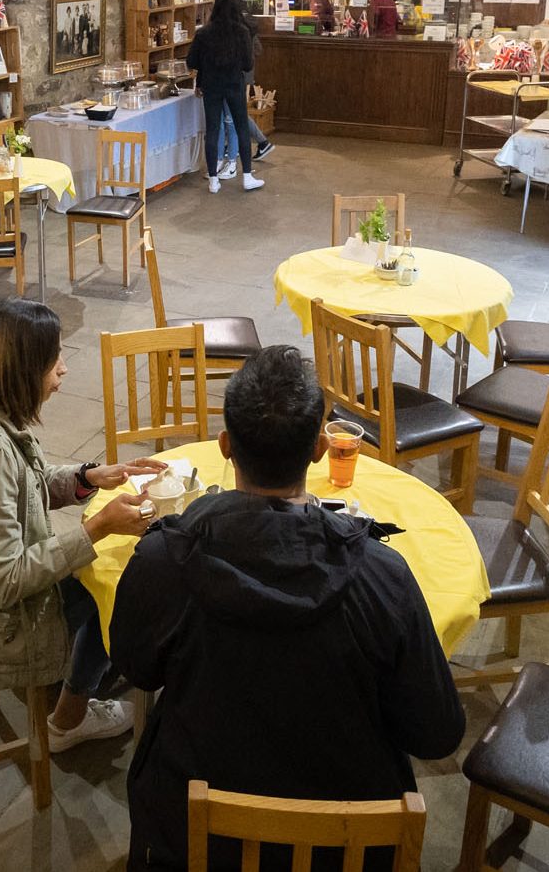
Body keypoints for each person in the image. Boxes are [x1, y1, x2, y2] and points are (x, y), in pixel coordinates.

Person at [109, 345, 465, 871]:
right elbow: (437, 734)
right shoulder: (383, 576)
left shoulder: (165, 560)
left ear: (226, 446)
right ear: (321, 448)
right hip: (346, 848)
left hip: (193, 841)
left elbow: (135, 668)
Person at [0, 298, 163, 751]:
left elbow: (12, 494)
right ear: (20, 370)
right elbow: (3, 583)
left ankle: (90, 665)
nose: (63, 369)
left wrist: (86, 478)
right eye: (52, 360)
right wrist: (97, 526)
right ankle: (70, 716)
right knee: (118, 580)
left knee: (100, 568)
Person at [186, 0, 264, 195]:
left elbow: (191, 61)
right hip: (234, 85)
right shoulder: (242, 32)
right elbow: (247, 65)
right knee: (241, 128)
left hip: (211, 86)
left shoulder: (203, 33)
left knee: (212, 130)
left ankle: (213, 180)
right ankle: (247, 176)